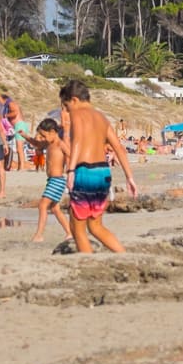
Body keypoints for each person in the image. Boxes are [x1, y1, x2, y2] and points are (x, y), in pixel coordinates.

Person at [59, 79, 136, 254]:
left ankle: (89, 262)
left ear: (74, 100)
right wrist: (129, 177)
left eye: (66, 106)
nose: (66, 110)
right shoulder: (102, 117)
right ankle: (124, 256)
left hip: (85, 171)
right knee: (95, 226)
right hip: (103, 173)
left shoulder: (77, 114)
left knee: (77, 228)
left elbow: (77, 140)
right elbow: (119, 148)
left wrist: (70, 170)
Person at [29, 119, 71, 243]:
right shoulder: (49, 144)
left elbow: (70, 154)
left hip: (58, 180)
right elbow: (36, 143)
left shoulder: (60, 144)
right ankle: (69, 232)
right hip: (52, 180)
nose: (42, 138)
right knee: (54, 209)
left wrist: (70, 170)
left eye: (44, 135)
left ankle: (39, 235)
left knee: (43, 205)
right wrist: (25, 135)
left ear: (53, 132)